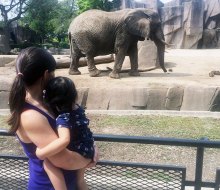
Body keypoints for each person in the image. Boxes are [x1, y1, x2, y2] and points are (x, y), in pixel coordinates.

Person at [7, 47, 98, 190]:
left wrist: (92, 147)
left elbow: (77, 127)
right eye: (53, 72)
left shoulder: (49, 101)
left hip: (70, 183)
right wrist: (89, 158)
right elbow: (65, 160)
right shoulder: (30, 115)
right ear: (46, 75)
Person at [36, 76, 94, 190]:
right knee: (80, 181)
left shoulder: (63, 118)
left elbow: (64, 139)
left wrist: (41, 153)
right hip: (88, 148)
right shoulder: (78, 108)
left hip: (80, 153)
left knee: (48, 163)